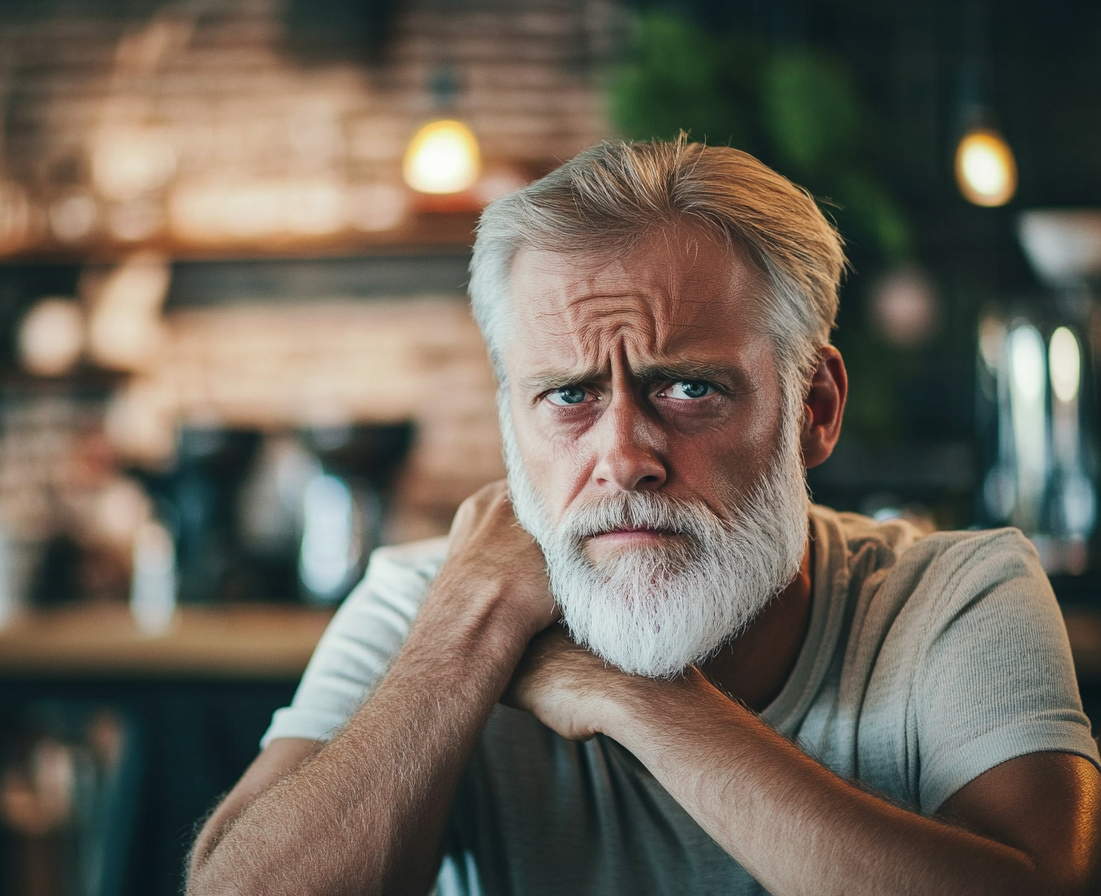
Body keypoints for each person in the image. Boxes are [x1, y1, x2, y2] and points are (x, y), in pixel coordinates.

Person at [185, 137, 1101, 896]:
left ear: (814, 408)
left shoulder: (956, 596)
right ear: (511, 423)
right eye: (570, 395)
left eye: (689, 387)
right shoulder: (433, 603)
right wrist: (469, 621)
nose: (624, 457)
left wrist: (637, 698)